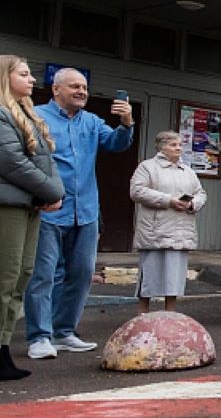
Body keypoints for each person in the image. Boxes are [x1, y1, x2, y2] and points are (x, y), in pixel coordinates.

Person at [24, 67, 134, 360]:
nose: (82, 92)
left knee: (82, 274)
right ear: (55, 89)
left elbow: (116, 144)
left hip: (85, 211)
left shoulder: (92, 121)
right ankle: (39, 336)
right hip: (48, 209)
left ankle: (64, 332)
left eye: (84, 87)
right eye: (74, 86)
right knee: (44, 275)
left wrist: (126, 123)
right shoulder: (36, 116)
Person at [0, 56, 64, 380]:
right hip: (8, 207)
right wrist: (50, 191)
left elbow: (46, 161)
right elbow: (11, 162)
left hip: (29, 206)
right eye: (24, 74)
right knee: (5, 278)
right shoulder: (0, 115)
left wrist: (53, 192)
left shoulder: (27, 114)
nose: (31, 80)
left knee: (21, 277)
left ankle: (3, 349)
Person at [129, 131, 206, 314]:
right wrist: (169, 200)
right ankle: (143, 314)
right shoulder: (147, 167)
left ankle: (170, 315)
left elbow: (201, 193)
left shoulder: (188, 171)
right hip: (155, 229)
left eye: (180, 144)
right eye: (173, 145)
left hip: (180, 229)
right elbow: (137, 191)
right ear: (161, 147)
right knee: (149, 274)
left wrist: (192, 203)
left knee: (174, 276)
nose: (178, 148)